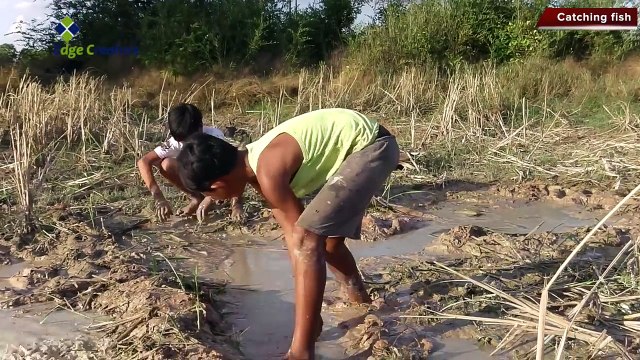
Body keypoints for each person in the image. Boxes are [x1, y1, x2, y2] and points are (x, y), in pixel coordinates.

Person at [176, 108, 400, 359]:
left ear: (217, 185)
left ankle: (301, 353)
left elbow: (304, 244)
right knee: (325, 245)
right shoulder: (256, 170)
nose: (213, 200)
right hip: (362, 148)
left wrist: (306, 325)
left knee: (311, 242)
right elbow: (295, 241)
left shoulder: (267, 171)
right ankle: (360, 301)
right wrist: (310, 316)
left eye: (209, 195)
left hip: (371, 146)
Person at [137, 102, 244, 223]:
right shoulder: (175, 142)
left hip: (220, 179)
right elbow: (143, 162)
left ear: (201, 128)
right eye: (182, 141)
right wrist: (158, 198)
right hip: (201, 180)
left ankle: (235, 203)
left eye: (190, 139)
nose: (187, 143)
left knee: (231, 165)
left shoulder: (215, 138)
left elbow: (234, 169)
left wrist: (211, 197)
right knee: (166, 164)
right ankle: (196, 197)